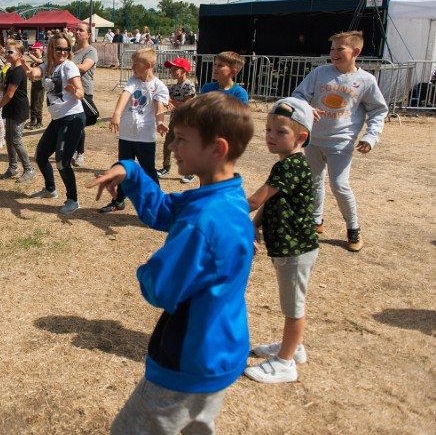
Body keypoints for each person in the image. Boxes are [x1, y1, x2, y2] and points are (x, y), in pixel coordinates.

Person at [88, 92, 254, 434]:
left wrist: (146, 271)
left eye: (181, 140)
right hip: (220, 349)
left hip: (189, 358)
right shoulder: (226, 196)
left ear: (217, 149)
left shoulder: (204, 220)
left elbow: (161, 287)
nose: (172, 147)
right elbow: (163, 211)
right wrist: (130, 170)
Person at [292, 30, 388, 252]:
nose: (333, 53)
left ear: (356, 51)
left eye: (339, 49)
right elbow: (298, 95)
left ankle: (353, 228)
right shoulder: (319, 73)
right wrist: (306, 108)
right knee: (314, 181)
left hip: (341, 144)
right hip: (314, 139)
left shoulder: (365, 80)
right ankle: (316, 221)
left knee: (339, 185)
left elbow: (378, 111)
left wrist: (371, 136)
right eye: (332, 49)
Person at [245, 97, 319, 384]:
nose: (270, 137)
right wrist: (254, 226)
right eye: (267, 130)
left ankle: (286, 363)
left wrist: (220, 205)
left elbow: (255, 199)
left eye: (280, 132)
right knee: (291, 304)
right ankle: (294, 347)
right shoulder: (286, 164)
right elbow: (269, 202)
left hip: (295, 250)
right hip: (287, 248)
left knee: (293, 308)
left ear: (301, 137)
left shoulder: (290, 166)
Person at [98, 48, 168, 213]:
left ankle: (157, 205)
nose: (132, 68)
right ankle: (119, 201)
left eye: (136, 65)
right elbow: (124, 95)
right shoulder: (133, 80)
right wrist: (116, 114)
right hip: (127, 135)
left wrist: (160, 123)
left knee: (148, 171)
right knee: (123, 168)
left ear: (148, 65)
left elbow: (159, 109)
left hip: (145, 137)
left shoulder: (159, 86)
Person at [24, 32, 85, 214]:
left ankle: (73, 200)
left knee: (62, 162)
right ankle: (50, 189)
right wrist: (28, 70)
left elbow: (81, 93)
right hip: (58, 119)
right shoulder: (48, 66)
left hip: (72, 117)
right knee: (41, 155)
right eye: (59, 48)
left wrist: (73, 90)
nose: (63, 52)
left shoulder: (69, 67)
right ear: (51, 48)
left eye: (66, 49)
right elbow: (35, 74)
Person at [191, 51, 249, 185]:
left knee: (221, 174)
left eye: (220, 66)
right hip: (207, 138)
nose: (215, 68)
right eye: (215, 64)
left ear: (233, 72)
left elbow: (240, 118)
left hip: (227, 140)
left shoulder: (239, 93)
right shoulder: (207, 88)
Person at [0, 39, 35, 182]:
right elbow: (3, 87)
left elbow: (10, 94)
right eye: (6, 50)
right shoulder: (10, 70)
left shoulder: (18, 72)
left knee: (16, 140)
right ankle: (13, 168)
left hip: (18, 109)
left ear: (19, 55)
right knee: (9, 139)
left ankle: (29, 169)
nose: (6, 53)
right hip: (10, 108)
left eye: (10, 52)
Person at [157, 57, 196, 179]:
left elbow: (186, 104)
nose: (172, 72)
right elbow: (167, 103)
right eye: (171, 70)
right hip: (175, 119)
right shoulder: (172, 87)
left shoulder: (189, 85)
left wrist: (171, 101)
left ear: (184, 71)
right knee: (168, 143)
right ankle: (166, 167)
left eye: (175, 70)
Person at [71, 22, 98, 167]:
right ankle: (70, 149)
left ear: (88, 34)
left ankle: (79, 153)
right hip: (68, 91)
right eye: (76, 30)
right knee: (69, 123)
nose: (77, 32)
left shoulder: (91, 51)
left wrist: (66, 65)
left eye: (81, 30)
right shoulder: (71, 51)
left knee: (79, 124)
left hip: (84, 92)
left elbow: (83, 67)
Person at [25, 42, 45, 129]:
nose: (33, 52)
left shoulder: (44, 59)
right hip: (34, 85)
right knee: (32, 104)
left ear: (41, 50)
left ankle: (39, 121)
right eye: (32, 50)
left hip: (40, 86)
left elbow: (38, 61)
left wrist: (28, 54)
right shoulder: (32, 63)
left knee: (38, 104)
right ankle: (32, 120)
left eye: (35, 50)